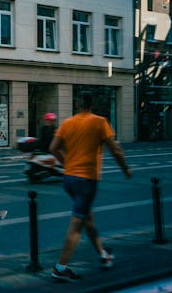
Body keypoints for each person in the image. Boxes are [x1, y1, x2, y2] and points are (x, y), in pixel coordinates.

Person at [49, 92, 132, 282]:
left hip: (69, 179)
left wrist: (66, 163)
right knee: (76, 226)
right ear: (92, 105)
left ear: (77, 105)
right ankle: (60, 268)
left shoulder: (68, 123)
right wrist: (125, 169)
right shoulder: (99, 122)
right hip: (86, 180)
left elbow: (53, 148)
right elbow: (116, 150)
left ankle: (103, 254)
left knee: (87, 220)